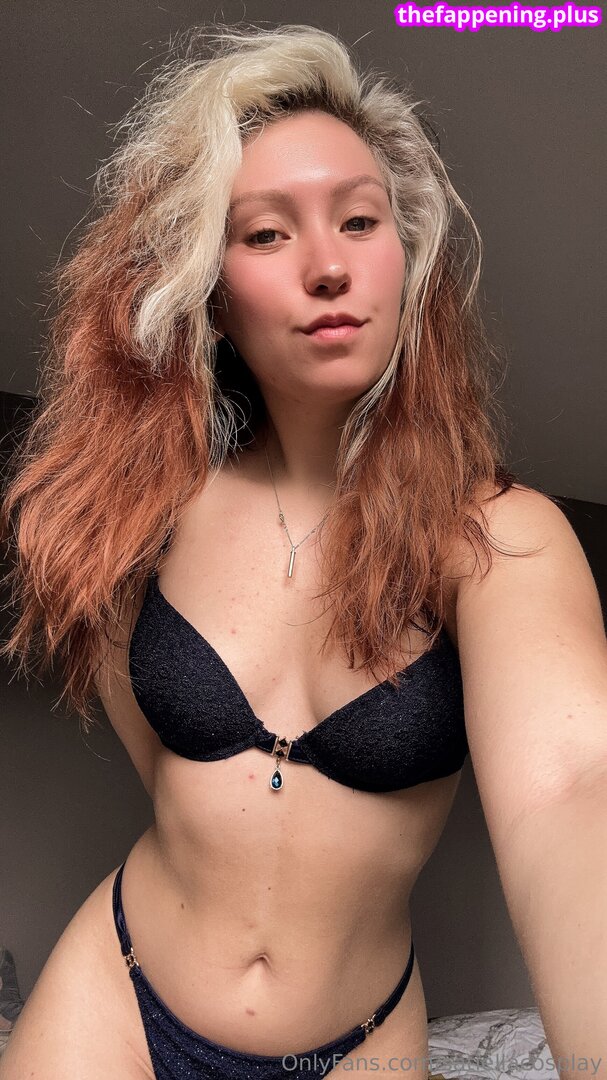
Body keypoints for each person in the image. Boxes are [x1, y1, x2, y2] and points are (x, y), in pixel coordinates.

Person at [1, 22, 606, 1080]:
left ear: (405, 259)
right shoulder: (146, 513)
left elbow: (572, 790)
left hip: (355, 1045)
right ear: (211, 291)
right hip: (115, 997)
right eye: (267, 234)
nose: (328, 266)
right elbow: (167, 770)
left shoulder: (497, 538)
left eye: (359, 221)